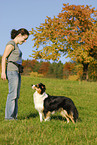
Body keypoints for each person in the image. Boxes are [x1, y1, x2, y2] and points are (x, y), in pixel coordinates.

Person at [1, 28, 29, 120]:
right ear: (19, 35)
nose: (25, 41)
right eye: (24, 39)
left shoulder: (16, 46)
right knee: (12, 95)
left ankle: (14, 117)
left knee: (16, 95)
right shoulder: (11, 44)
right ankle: (9, 117)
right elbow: (4, 57)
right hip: (12, 71)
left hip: (17, 72)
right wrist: (3, 72)